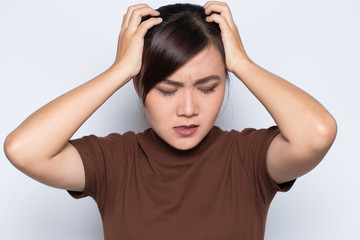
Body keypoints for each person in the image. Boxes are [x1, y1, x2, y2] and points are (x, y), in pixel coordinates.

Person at [4, 1, 337, 239]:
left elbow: (318, 132)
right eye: (167, 90)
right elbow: (23, 149)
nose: (188, 108)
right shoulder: (115, 161)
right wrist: (119, 69)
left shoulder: (248, 157)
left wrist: (240, 62)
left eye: (208, 87)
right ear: (140, 85)